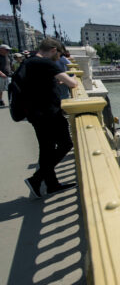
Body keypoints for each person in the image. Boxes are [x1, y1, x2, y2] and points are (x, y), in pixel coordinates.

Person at [23, 38, 78, 198]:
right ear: (53, 50)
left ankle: (51, 184)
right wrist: (70, 78)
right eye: (59, 54)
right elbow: (72, 83)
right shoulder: (46, 63)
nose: (58, 58)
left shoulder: (29, 61)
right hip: (49, 113)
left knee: (46, 149)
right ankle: (36, 179)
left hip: (35, 113)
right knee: (66, 144)